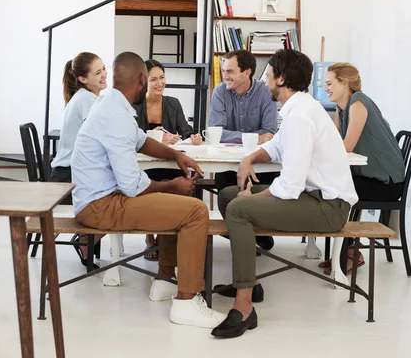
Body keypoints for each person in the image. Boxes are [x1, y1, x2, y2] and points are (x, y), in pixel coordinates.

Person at [71, 51, 227, 328]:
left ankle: (166, 281)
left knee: (180, 202)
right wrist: (172, 184)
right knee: (196, 212)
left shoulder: (112, 104)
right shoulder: (114, 115)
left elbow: (141, 140)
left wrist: (176, 155)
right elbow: (132, 185)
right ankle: (187, 302)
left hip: (102, 198)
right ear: (142, 80)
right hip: (101, 206)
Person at [211, 49, 358, 339]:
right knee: (229, 194)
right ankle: (249, 281)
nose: (264, 79)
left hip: (328, 208)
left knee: (238, 209)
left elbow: (289, 186)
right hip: (312, 197)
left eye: (268, 74)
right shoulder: (296, 109)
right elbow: (276, 146)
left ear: (282, 78)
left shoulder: (302, 116)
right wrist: (249, 159)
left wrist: (252, 199)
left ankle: (244, 308)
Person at [319, 62, 405, 273]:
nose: (325, 88)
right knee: (331, 185)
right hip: (372, 178)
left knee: (337, 190)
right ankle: (345, 251)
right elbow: (333, 140)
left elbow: (345, 146)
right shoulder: (342, 107)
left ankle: (349, 253)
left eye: (329, 83)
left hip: (386, 183)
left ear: (344, 82)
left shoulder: (358, 102)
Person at [208, 49, 279, 250]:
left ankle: (259, 231)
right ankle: (243, 235)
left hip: (260, 161)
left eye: (230, 71)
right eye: (223, 71)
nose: (225, 76)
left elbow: (270, 132)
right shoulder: (220, 92)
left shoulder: (266, 92)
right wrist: (254, 137)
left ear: (247, 72)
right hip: (229, 161)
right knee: (224, 185)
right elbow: (216, 132)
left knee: (269, 181)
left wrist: (257, 138)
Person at [134, 59, 203, 260]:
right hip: (145, 164)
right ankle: (150, 235)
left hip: (171, 162)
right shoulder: (135, 105)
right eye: (153, 79)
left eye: (162, 77)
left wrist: (193, 137)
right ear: (144, 82)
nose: (159, 83)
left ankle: (169, 238)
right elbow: (132, 136)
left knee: (179, 184)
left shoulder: (173, 103)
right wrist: (154, 136)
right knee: (152, 183)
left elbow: (185, 131)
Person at [49, 52, 107, 268]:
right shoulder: (87, 99)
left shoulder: (86, 97)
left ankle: (86, 240)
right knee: (121, 198)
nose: (104, 75)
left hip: (68, 172)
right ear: (83, 79)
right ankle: (85, 240)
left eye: (103, 69)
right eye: (97, 72)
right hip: (68, 178)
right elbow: (101, 136)